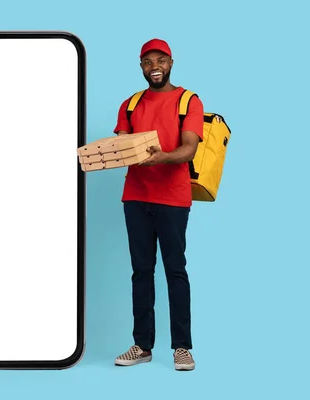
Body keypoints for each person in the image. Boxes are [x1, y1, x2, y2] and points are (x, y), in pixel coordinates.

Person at [113, 38, 204, 371]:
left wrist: (163, 157)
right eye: (148, 61)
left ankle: (182, 347)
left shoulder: (188, 101)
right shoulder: (131, 104)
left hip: (173, 197)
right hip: (136, 196)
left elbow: (189, 149)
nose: (155, 67)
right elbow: (121, 142)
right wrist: (120, 148)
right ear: (141, 66)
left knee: (175, 270)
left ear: (171, 62)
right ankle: (142, 346)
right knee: (141, 272)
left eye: (160, 60)